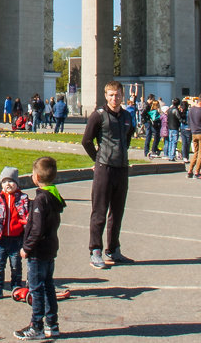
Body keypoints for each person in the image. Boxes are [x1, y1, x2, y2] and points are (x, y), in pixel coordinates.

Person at [81, 80, 135, 269]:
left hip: (122, 168)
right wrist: (97, 160)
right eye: (111, 95)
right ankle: (95, 250)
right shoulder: (99, 115)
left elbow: (128, 137)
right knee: (99, 212)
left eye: (118, 94)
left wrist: (122, 154)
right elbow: (86, 141)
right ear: (106, 96)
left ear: (122, 95)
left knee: (117, 212)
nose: (115, 98)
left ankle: (113, 249)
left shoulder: (127, 116)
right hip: (104, 168)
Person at [14, 156, 64, 340]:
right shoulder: (53, 195)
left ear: (36, 177)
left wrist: (26, 247)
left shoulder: (41, 200)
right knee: (48, 286)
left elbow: (37, 228)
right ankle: (52, 323)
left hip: (38, 251)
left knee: (36, 289)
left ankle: (37, 326)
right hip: (49, 249)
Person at [0, 166, 30, 299]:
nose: (8, 184)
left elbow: (25, 215)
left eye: (11, 181)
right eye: (4, 182)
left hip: (16, 238)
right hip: (1, 238)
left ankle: (16, 286)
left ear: (17, 183)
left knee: (16, 264)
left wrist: (25, 223)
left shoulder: (22, 198)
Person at [186, 94, 201, 179]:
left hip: (193, 132)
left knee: (195, 152)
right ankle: (197, 172)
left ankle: (190, 171)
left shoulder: (191, 109)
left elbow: (189, 120)